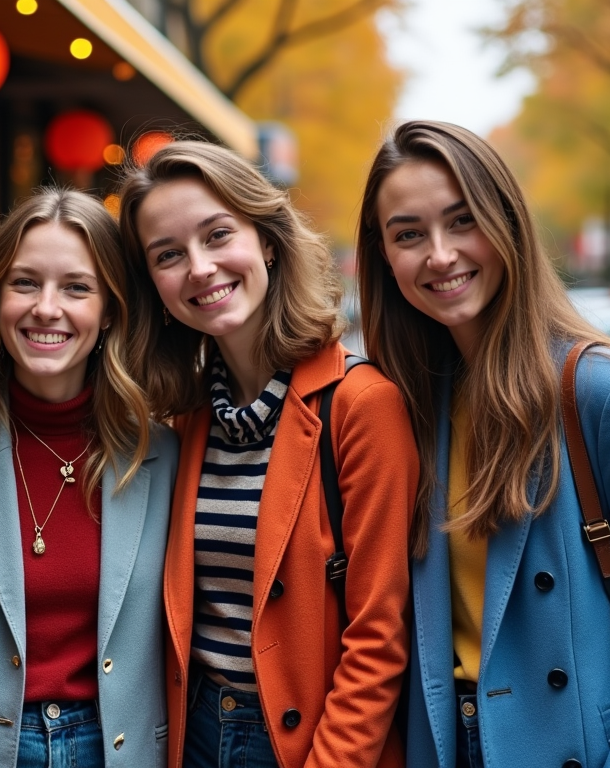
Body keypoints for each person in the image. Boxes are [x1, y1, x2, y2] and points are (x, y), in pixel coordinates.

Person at [356, 119, 610, 768]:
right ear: (384, 257)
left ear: (508, 224)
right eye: (409, 234)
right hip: (448, 741)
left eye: (462, 220)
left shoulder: (602, 392)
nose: (439, 254)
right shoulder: (407, 402)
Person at [118, 141, 419, 768]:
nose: (199, 268)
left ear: (268, 241)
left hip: (309, 744)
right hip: (194, 732)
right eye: (168, 255)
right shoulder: (189, 417)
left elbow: (379, 635)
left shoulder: (361, 404)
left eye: (217, 234)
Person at [0, 187, 178, 768]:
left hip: (120, 749)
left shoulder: (162, 454)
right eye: (25, 282)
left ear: (109, 309)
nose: (46, 307)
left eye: (76, 287)